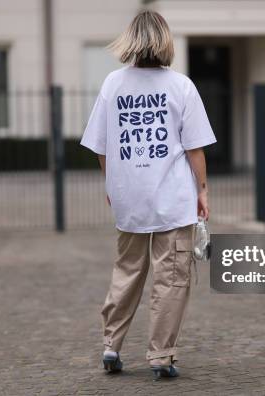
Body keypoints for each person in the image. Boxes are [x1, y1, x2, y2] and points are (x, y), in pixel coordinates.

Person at [80, 9, 216, 379]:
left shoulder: (113, 84)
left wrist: (113, 184)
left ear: (131, 41)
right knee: (170, 278)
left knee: (127, 271)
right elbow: (195, 149)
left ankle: (111, 345)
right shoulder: (181, 86)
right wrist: (202, 191)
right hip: (173, 199)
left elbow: (100, 147)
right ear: (165, 41)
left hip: (129, 197)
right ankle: (161, 355)